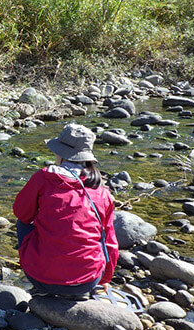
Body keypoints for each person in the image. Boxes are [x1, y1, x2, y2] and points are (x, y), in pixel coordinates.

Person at [13, 123, 119, 299]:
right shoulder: (103, 192)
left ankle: (42, 282)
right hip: (88, 281)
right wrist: (104, 280)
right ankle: (76, 291)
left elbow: (21, 212)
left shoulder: (43, 177)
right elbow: (110, 243)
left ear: (60, 153)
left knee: (23, 223)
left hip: (42, 279)